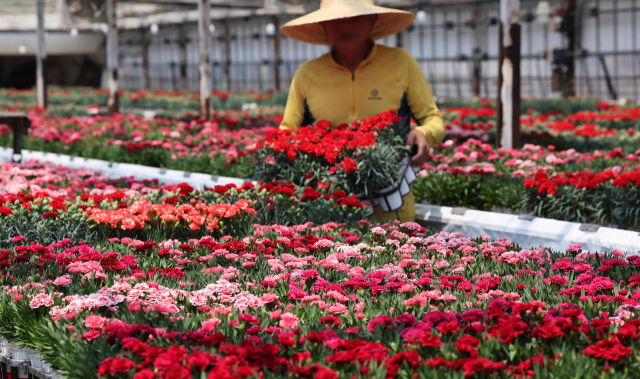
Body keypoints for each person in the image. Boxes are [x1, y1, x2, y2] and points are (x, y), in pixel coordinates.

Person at [279, 0, 445, 223]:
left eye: (354, 17)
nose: (344, 26)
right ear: (323, 26)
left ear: (372, 20)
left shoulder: (400, 63)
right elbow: (287, 132)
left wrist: (424, 133)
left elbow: (433, 118)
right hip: (328, 211)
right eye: (335, 20)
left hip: (394, 209)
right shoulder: (307, 74)